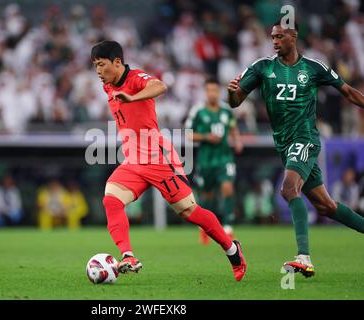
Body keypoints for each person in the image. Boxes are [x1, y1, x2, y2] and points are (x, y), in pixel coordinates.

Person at [91, 40, 246, 281]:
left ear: (117, 62)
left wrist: (132, 98)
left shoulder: (135, 78)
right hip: (133, 160)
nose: (98, 71)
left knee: (190, 212)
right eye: (95, 66)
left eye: (101, 65)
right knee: (111, 199)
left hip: (159, 158)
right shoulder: (108, 85)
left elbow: (159, 86)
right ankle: (128, 255)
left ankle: (232, 250)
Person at [227, 21, 364, 277]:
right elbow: (236, 102)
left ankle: (304, 257)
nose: (275, 41)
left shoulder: (313, 68)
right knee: (326, 207)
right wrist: (231, 93)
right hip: (284, 143)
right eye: (273, 37)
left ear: (294, 36)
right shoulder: (262, 67)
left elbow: (347, 91)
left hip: (305, 139)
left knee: (289, 189)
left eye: (280, 37)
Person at [185, 78, 243, 244]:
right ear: (205, 92)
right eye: (209, 90)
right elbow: (188, 134)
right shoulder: (198, 111)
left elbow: (233, 128)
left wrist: (237, 140)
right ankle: (206, 228)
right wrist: (205, 137)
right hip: (206, 160)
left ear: (219, 92)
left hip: (225, 157)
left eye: (215, 90)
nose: (212, 94)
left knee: (227, 187)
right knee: (207, 195)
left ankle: (228, 228)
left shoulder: (226, 110)